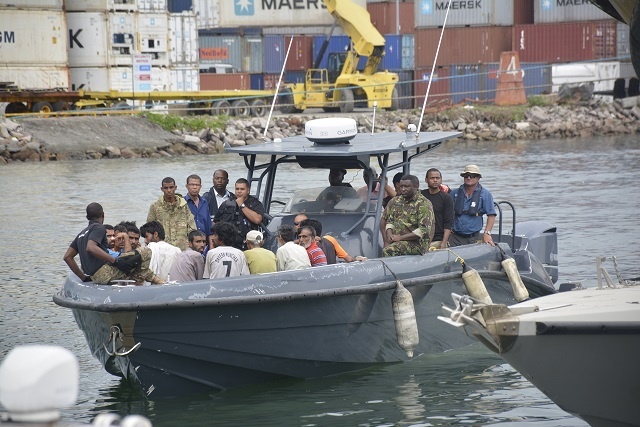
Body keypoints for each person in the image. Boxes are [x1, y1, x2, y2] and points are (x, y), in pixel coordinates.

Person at [63, 203, 163, 285]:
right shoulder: (99, 227)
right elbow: (91, 247)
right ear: (103, 215)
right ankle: (146, 279)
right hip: (104, 273)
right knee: (146, 251)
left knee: (134, 261)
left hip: (94, 276)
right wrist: (115, 261)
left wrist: (84, 278)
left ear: (87, 217)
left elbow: (67, 257)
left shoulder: (81, 234)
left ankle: (147, 278)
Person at [380, 174, 434, 257]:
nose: (403, 189)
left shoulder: (423, 204)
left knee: (389, 250)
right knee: (388, 247)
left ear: (416, 187)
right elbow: (389, 221)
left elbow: (423, 231)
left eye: (406, 187)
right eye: (401, 186)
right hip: (397, 240)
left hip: (417, 244)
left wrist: (400, 238)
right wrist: (389, 236)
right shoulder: (395, 201)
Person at [450, 165, 496, 247]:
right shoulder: (454, 193)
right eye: (466, 175)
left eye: (472, 176)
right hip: (455, 237)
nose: (468, 178)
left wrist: (487, 233)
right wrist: (448, 228)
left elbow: (491, 215)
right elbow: (446, 212)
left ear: (478, 178)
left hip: (474, 237)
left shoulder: (485, 194)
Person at [213, 178, 265, 250]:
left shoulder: (255, 203)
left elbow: (257, 220)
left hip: (248, 245)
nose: (239, 191)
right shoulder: (227, 204)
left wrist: (241, 205)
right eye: (237, 189)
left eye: (242, 189)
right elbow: (215, 222)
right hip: (229, 245)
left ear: (248, 190)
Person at [147, 177, 196, 251]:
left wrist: (191, 246)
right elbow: (149, 229)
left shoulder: (183, 206)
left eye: (171, 187)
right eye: (166, 188)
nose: (169, 190)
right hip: (163, 250)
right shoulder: (155, 207)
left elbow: (192, 227)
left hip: (182, 249)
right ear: (162, 189)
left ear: (175, 188)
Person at [421, 168, 454, 250]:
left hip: (438, 239)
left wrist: (443, 242)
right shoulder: (420, 196)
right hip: (421, 237)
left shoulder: (447, 198)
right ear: (426, 180)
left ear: (441, 180)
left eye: (437, 178)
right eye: (432, 178)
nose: (435, 180)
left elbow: (448, 222)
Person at [184, 174, 212, 242]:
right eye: (192, 185)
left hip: (204, 241)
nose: (194, 187)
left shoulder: (204, 202)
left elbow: (208, 224)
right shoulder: (183, 203)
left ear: (200, 186)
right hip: (189, 241)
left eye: (197, 185)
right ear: (187, 186)